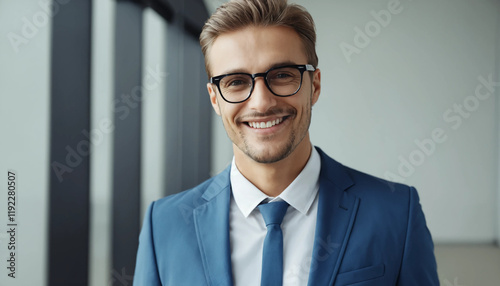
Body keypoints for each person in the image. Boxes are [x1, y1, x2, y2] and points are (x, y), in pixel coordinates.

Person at [133, 0, 439, 285]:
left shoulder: (396, 213)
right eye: (236, 82)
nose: (262, 103)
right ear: (215, 99)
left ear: (314, 85)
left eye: (281, 75)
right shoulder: (165, 225)